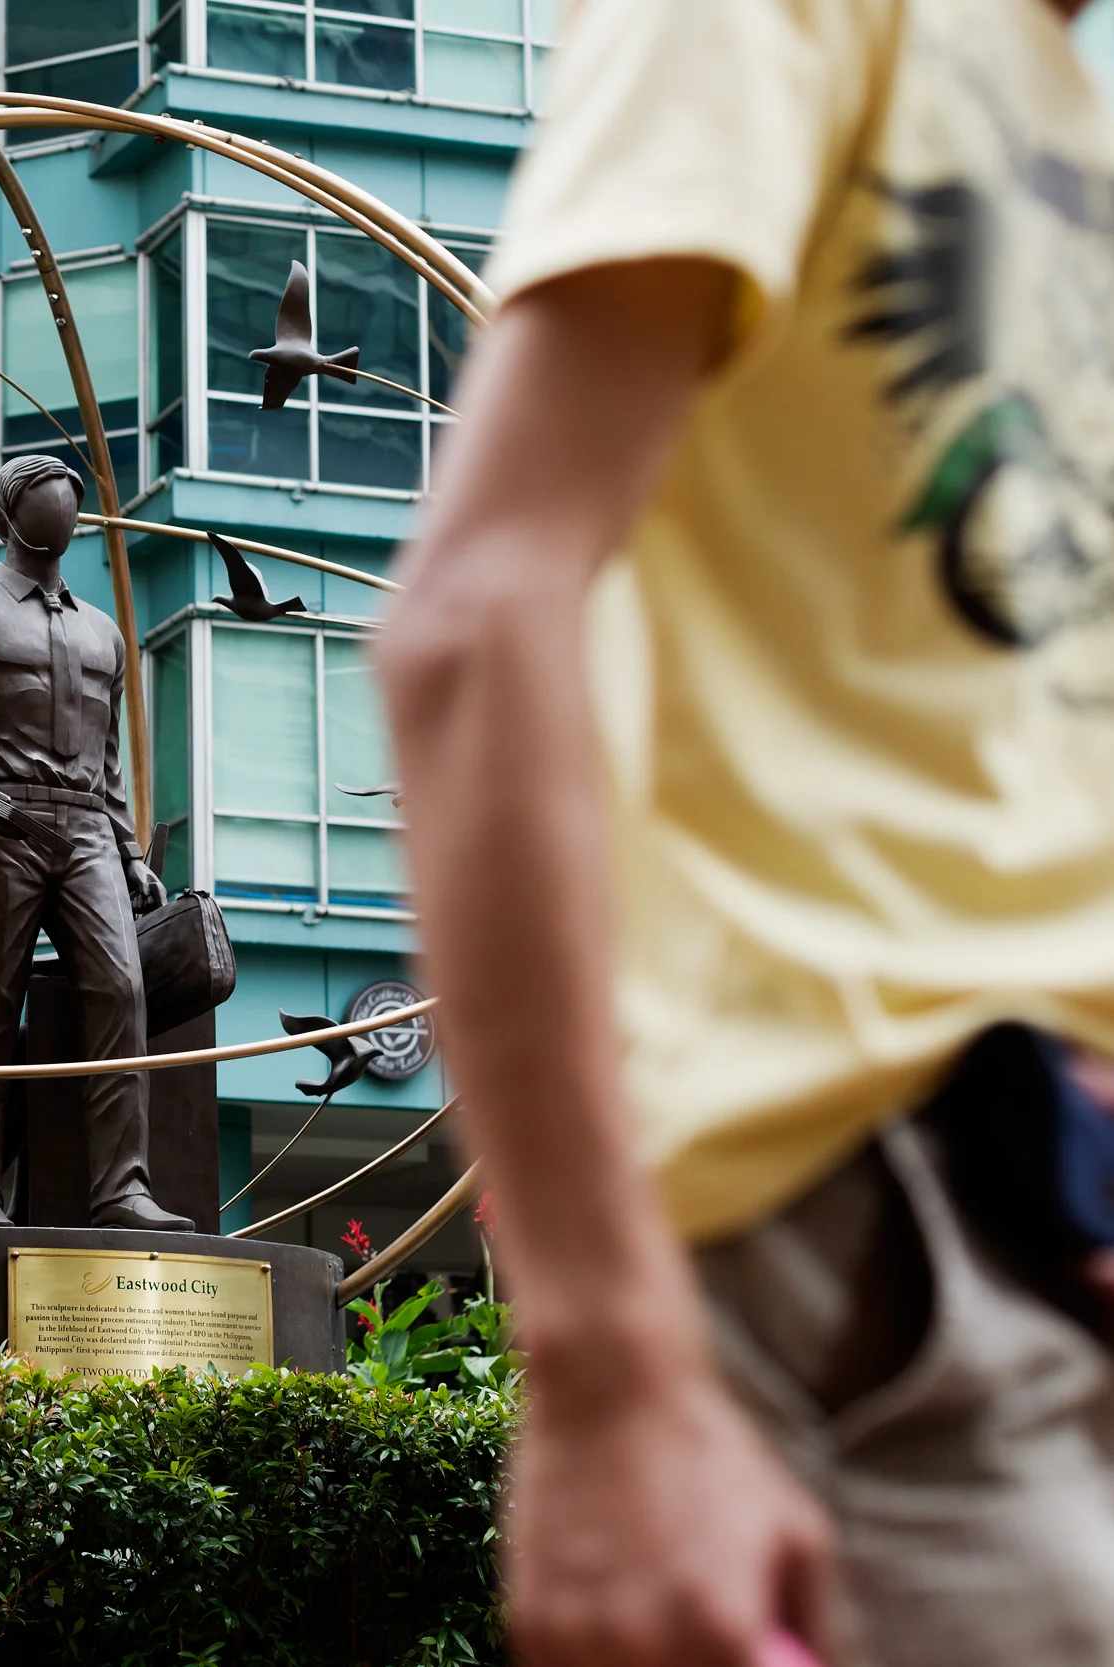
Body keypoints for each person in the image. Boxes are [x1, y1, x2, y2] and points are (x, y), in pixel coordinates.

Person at [375, 1, 1114, 1663]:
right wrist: (616, 1373)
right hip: (879, 1251)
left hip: (1043, 1219)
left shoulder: (1059, 93)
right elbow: (478, 620)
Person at [0, 454, 190, 1232]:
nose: (63, 504)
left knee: (121, 990)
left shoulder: (102, 629)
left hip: (86, 831)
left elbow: (109, 759)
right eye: (45, 492)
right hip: (1, 823)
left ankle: (122, 1187)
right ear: (8, 508)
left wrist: (131, 852)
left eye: (69, 494)